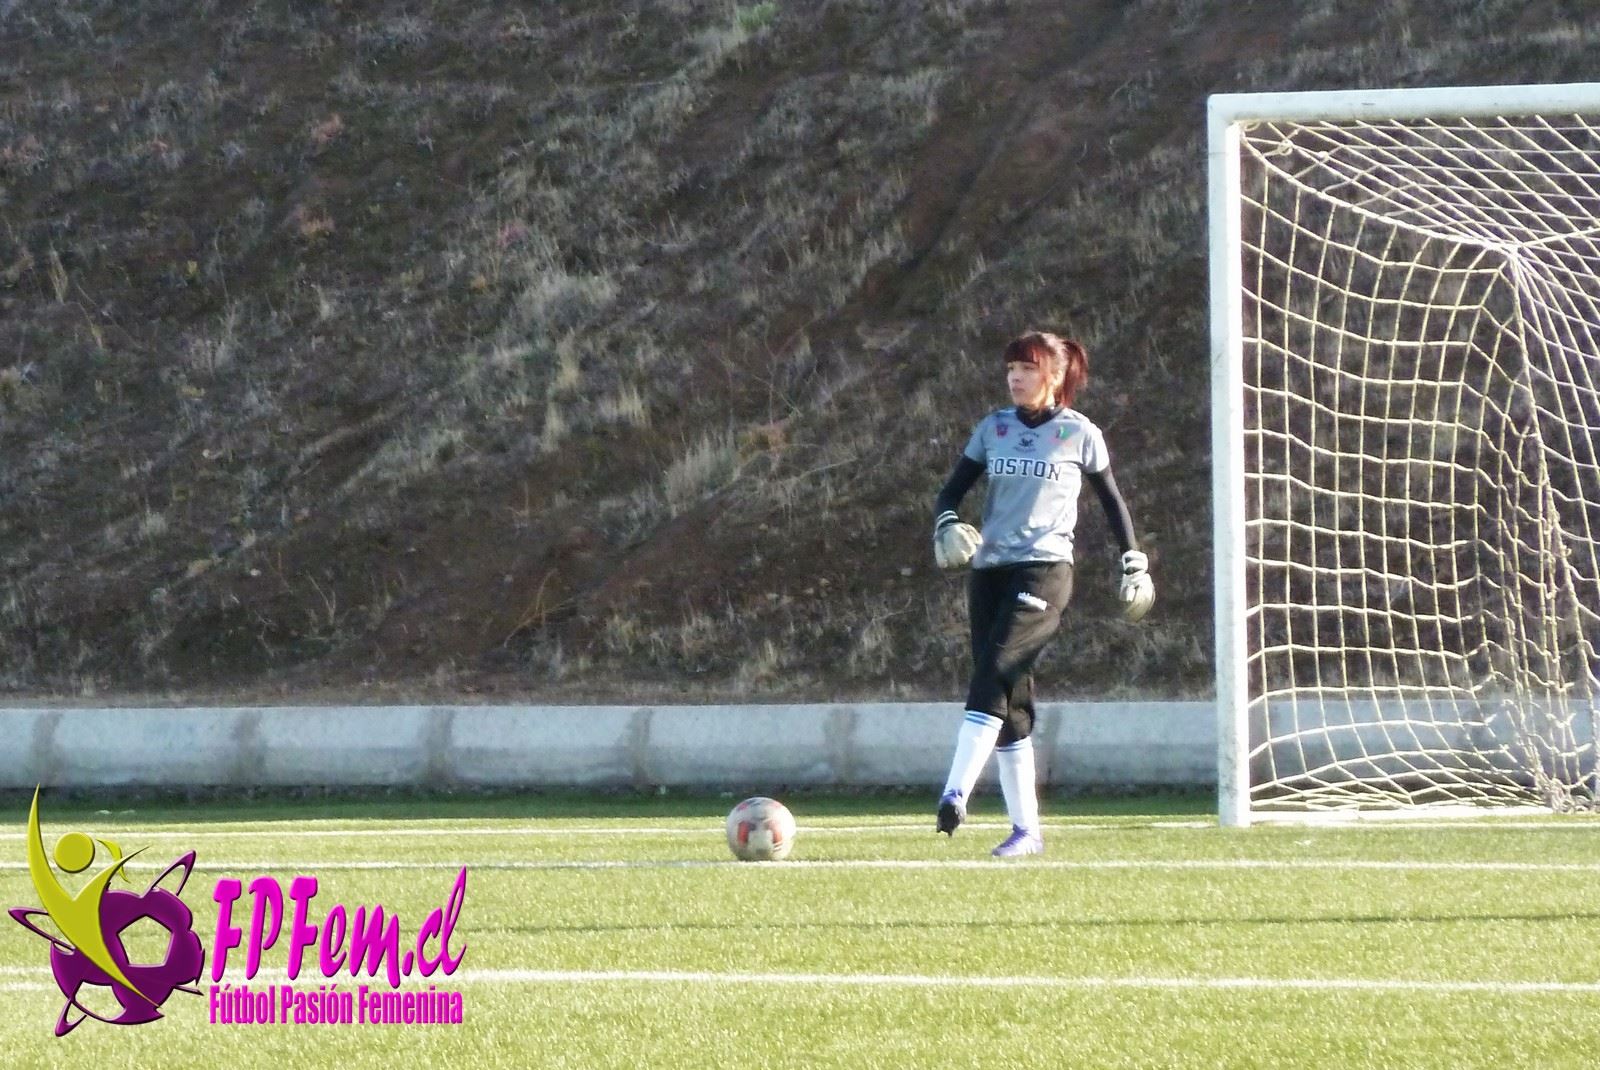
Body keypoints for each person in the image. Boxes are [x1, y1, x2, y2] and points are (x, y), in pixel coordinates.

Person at [930, 330, 1153, 857]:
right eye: (1010, 368)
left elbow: (1113, 502)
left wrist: (1133, 559)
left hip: (1045, 572)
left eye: (1026, 369)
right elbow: (951, 490)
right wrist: (946, 523)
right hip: (989, 572)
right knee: (1010, 701)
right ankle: (1027, 831)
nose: (1014, 377)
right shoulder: (994, 428)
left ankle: (954, 790)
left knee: (994, 671)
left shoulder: (1079, 433)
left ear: (1053, 376)